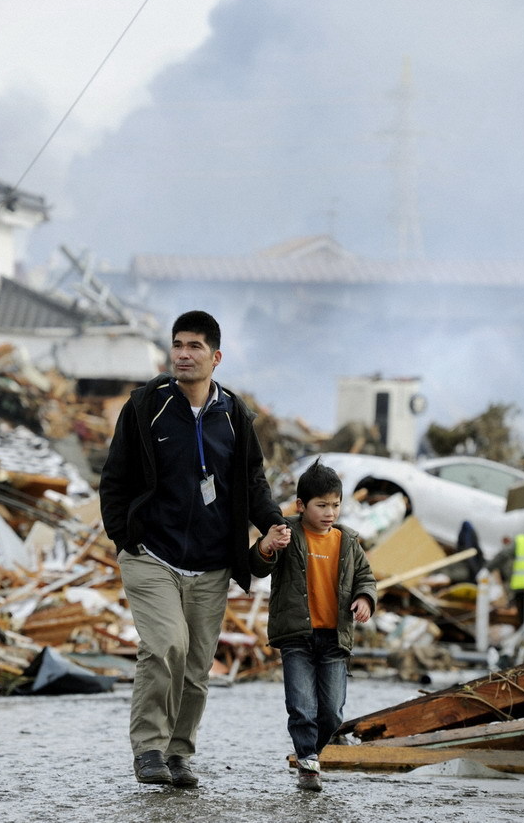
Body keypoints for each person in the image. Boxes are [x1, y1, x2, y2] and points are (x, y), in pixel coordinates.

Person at [99, 310, 289, 788]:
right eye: (178, 345)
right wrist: (126, 537)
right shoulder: (146, 405)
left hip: (210, 562)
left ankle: (178, 753)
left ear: (216, 357)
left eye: (194, 347)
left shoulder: (235, 415)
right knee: (166, 646)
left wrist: (270, 524)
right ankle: (148, 749)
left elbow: (253, 482)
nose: (183, 354)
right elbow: (115, 479)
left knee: (197, 665)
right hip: (151, 554)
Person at [250, 457, 377, 792]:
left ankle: (312, 753)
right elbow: (259, 565)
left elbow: (366, 577)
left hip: (335, 638)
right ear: (301, 505)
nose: (329, 513)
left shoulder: (347, 541)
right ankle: (308, 762)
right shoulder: (287, 533)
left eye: (335, 505)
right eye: (322, 505)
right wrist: (266, 546)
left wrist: (364, 599)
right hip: (297, 637)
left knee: (333, 713)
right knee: (302, 707)